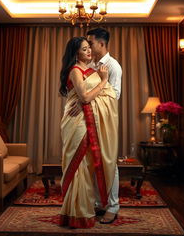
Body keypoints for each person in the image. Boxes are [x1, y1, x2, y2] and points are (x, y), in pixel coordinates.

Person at [59, 36, 119, 228]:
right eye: (84, 49)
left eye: (88, 48)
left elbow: (109, 95)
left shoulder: (91, 69)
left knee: (87, 166)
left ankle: (85, 208)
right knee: (79, 166)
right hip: (77, 122)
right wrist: (103, 81)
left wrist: (96, 88)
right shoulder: (75, 70)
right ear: (76, 52)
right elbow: (85, 97)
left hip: (88, 119)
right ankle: (76, 213)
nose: (89, 51)